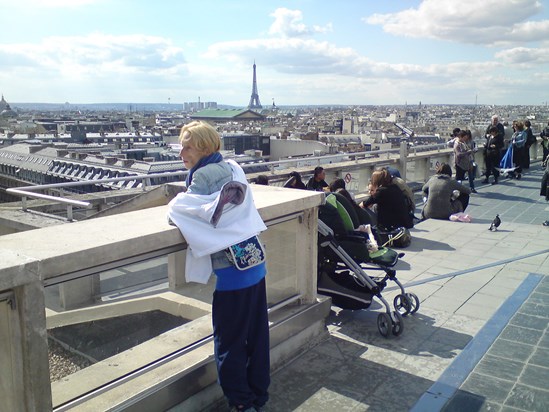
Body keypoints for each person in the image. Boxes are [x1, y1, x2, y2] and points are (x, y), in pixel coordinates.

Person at [167, 121, 270, 412]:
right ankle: (258, 395)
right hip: (254, 263)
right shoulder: (232, 167)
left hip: (231, 275)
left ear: (203, 147)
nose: (182, 152)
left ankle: (240, 403)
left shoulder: (201, 177)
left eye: (187, 146)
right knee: (257, 337)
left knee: (229, 344)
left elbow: (182, 211)